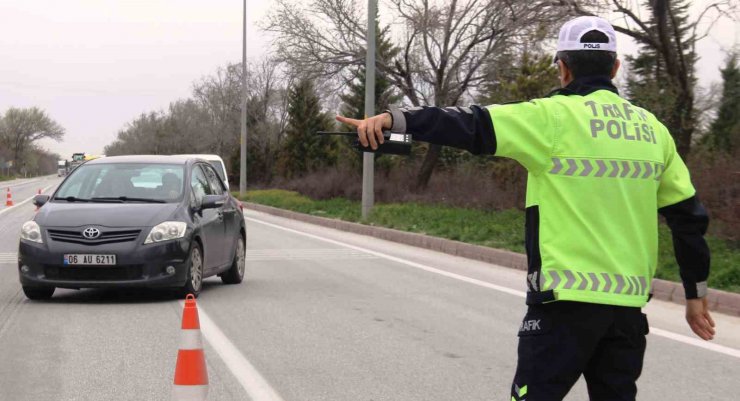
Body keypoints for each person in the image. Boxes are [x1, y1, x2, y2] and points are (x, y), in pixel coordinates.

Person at [337, 15, 715, 401]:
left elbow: (471, 125)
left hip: (562, 309)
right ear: (615, 67)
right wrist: (695, 294)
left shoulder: (551, 117)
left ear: (563, 68)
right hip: (627, 315)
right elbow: (689, 219)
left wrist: (396, 119)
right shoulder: (653, 131)